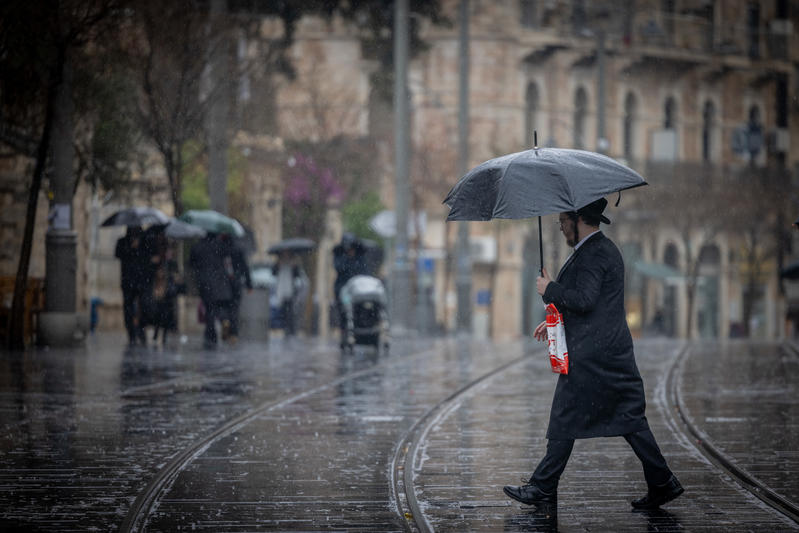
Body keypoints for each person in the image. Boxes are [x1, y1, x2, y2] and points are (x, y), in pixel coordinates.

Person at [503, 198, 683, 511]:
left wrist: (550, 289)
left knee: (565, 416)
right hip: (606, 352)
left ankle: (542, 487)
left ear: (578, 219)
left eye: (563, 221)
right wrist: (552, 319)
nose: (560, 227)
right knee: (629, 419)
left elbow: (584, 299)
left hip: (593, 355)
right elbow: (590, 304)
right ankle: (662, 481)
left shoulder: (595, 253)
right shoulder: (597, 250)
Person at [190, 232, 234, 348]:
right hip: (220, 280)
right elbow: (229, 257)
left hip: (205, 282)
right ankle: (224, 319)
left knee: (210, 309)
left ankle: (211, 335)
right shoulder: (220, 245)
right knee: (220, 306)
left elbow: (191, 264)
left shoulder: (197, 247)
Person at [115, 226, 149, 346]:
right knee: (128, 308)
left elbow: (147, 258)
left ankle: (141, 331)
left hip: (141, 281)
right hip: (127, 281)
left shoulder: (144, 241)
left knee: (143, 307)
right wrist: (130, 248)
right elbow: (118, 254)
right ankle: (131, 333)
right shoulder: (122, 242)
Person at [333, 233, 366, 344]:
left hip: (357, 290)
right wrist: (347, 259)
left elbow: (363, 271)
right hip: (343, 290)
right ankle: (344, 334)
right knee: (343, 311)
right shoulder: (339, 256)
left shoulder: (360, 257)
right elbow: (339, 268)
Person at [220, 234, 251, 343]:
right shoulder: (239, 250)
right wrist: (249, 284)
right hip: (236, 283)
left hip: (223, 283)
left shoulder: (220, 250)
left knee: (223, 305)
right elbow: (245, 268)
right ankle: (233, 334)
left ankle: (224, 320)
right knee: (234, 308)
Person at [271, 251, 305, 336]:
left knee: (290, 310)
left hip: (290, 290)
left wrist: (295, 265)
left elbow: (298, 275)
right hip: (281, 289)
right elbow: (273, 273)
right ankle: (286, 328)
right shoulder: (279, 263)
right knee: (283, 311)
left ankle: (291, 330)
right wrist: (278, 264)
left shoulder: (293, 263)